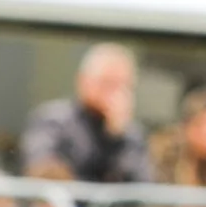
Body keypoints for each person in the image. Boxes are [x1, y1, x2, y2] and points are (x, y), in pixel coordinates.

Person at [19, 43, 149, 185]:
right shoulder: (53, 120)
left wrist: (116, 138)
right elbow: (42, 171)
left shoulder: (131, 134)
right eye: (107, 83)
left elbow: (140, 187)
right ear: (83, 80)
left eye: (123, 86)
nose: (115, 94)